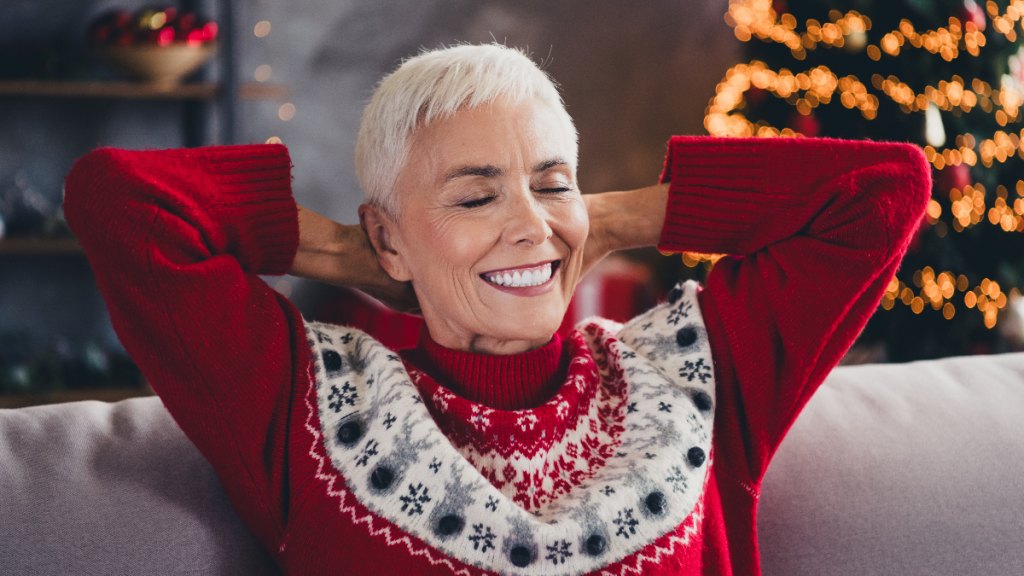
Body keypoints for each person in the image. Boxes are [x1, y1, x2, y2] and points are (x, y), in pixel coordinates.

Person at [64, 43, 930, 575]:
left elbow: (884, 188)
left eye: (552, 184)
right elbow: (119, 203)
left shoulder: (696, 373)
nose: (530, 225)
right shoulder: (302, 405)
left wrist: (604, 220)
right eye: (476, 198)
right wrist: (343, 253)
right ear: (388, 236)